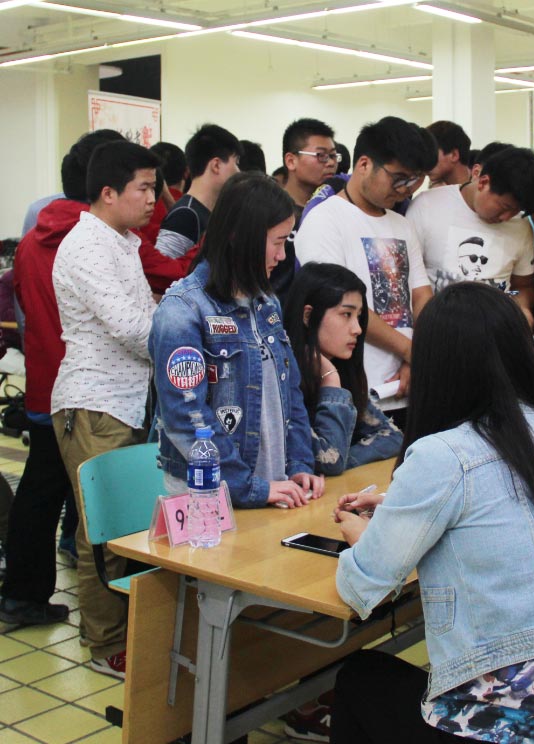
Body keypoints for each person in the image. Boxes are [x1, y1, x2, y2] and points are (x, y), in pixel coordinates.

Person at [329, 282, 534, 744]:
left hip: (517, 728)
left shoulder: (441, 456)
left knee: (358, 678)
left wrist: (361, 534)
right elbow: (507, 506)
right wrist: (402, 506)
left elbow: (363, 587)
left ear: (436, 366)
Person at [0, 130, 125, 629]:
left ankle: (23, 594)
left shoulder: (33, 240)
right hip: (87, 390)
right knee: (94, 500)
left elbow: (26, 313)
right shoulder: (97, 243)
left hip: (45, 380)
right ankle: (103, 622)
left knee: (42, 487)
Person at [50, 140, 161, 678]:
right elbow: (132, 327)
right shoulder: (87, 246)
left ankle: (125, 630)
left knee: (127, 528)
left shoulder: (121, 241)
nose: (154, 198)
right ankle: (104, 643)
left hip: (126, 401)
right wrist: (182, 331)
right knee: (103, 533)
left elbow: (144, 315)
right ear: (108, 192)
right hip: (95, 403)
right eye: (144, 188)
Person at [150, 172, 324, 509]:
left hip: (273, 487)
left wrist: (300, 465)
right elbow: (186, 417)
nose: (282, 256)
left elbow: (290, 392)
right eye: (277, 242)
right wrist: (249, 487)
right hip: (208, 494)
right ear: (238, 237)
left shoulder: (266, 303)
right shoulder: (182, 311)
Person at [296, 117, 435, 418]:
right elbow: (341, 305)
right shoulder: (324, 220)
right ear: (364, 164)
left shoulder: (403, 225)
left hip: (408, 387)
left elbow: (421, 295)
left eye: (413, 181)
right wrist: (411, 352)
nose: (405, 189)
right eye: (399, 178)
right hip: (354, 392)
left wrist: (414, 357)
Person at [283, 262, 403, 473]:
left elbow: (393, 437)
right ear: (308, 316)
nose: (357, 329)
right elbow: (329, 460)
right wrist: (330, 380)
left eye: (359, 316)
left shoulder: (343, 370)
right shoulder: (282, 378)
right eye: (346, 314)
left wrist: (346, 458)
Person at [406, 146, 534, 319]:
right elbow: (406, 276)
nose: (506, 217)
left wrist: (521, 307)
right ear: (483, 182)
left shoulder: (520, 226)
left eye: (516, 211)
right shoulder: (428, 206)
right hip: (436, 325)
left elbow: (523, 286)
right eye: (505, 207)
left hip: (494, 329)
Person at [273, 118, 340, 299]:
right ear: (291, 161)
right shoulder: (270, 210)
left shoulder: (334, 212)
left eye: (334, 156)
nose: (330, 163)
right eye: (321, 155)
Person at [156, 123, 242, 258]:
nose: (239, 171)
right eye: (236, 162)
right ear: (216, 165)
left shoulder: (208, 211)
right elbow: (163, 267)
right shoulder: (185, 215)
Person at [425, 120, 471, 188]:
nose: (425, 163)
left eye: (431, 154)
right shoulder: (433, 192)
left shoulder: (482, 191)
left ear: (454, 155)